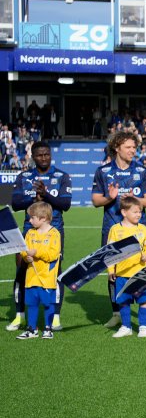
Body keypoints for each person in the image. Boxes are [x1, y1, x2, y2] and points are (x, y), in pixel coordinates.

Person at [92, 130, 146, 329]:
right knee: (113, 271)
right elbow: (96, 200)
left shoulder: (142, 171)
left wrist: (134, 199)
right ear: (117, 147)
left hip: (139, 231)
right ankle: (117, 313)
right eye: (129, 147)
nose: (133, 151)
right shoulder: (103, 171)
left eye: (134, 147)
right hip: (112, 228)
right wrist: (110, 197)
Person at [7, 141, 71, 332]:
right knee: (22, 272)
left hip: (54, 231)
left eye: (47, 154)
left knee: (55, 273)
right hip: (28, 231)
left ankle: (55, 317)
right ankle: (19, 316)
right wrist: (34, 198)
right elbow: (16, 203)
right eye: (40, 155)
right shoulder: (24, 176)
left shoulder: (62, 176)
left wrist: (46, 196)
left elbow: (65, 204)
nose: (44, 158)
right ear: (33, 157)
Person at [106, 196, 146, 339]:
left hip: (140, 273)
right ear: (124, 212)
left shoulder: (142, 228)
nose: (138, 214)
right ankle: (126, 326)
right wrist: (111, 271)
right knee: (123, 301)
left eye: (140, 211)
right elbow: (109, 252)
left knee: (143, 300)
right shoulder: (115, 229)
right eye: (135, 212)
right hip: (122, 274)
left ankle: (144, 326)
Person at [15, 202, 61, 340]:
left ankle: (48, 328)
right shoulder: (30, 233)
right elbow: (24, 249)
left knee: (48, 304)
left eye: (32, 218)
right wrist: (26, 256)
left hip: (46, 277)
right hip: (31, 277)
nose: (29, 220)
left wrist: (36, 252)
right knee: (32, 303)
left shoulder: (54, 234)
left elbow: (53, 255)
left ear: (43, 218)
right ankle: (31, 329)